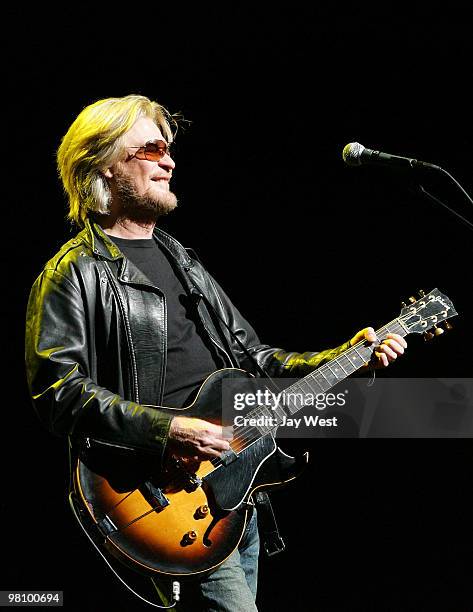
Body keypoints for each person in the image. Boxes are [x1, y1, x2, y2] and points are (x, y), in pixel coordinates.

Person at [25, 94, 407, 611]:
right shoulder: (74, 272)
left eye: (170, 149)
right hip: (162, 500)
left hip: (232, 496)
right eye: (152, 148)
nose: (170, 161)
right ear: (106, 165)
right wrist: (169, 430)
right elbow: (59, 393)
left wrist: (347, 355)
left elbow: (258, 361)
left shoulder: (183, 261)